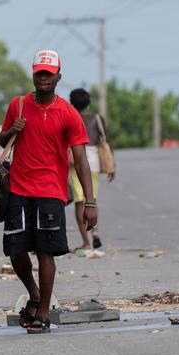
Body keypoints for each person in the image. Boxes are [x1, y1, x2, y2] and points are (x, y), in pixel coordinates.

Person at [0, 50, 97, 334]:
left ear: (58, 77)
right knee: (15, 250)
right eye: (39, 73)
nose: (43, 78)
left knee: (45, 252)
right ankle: (35, 294)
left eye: (48, 74)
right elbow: (3, 139)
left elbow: (81, 160)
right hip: (18, 186)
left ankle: (43, 312)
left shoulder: (68, 113)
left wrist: (90, 201)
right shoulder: (18, 105)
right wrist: (11, 130)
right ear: (33, 75)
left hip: (51, 190)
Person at [69, 88, 114, 250]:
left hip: (75, 160)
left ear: (72, 103)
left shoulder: (71, 118)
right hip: (94, 162)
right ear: (88, 103)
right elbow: (106, 141)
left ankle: (86, 242)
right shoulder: (97, 119)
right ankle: (95, 232)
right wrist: (112, 165)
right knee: (91, 199)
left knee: (79, 201)